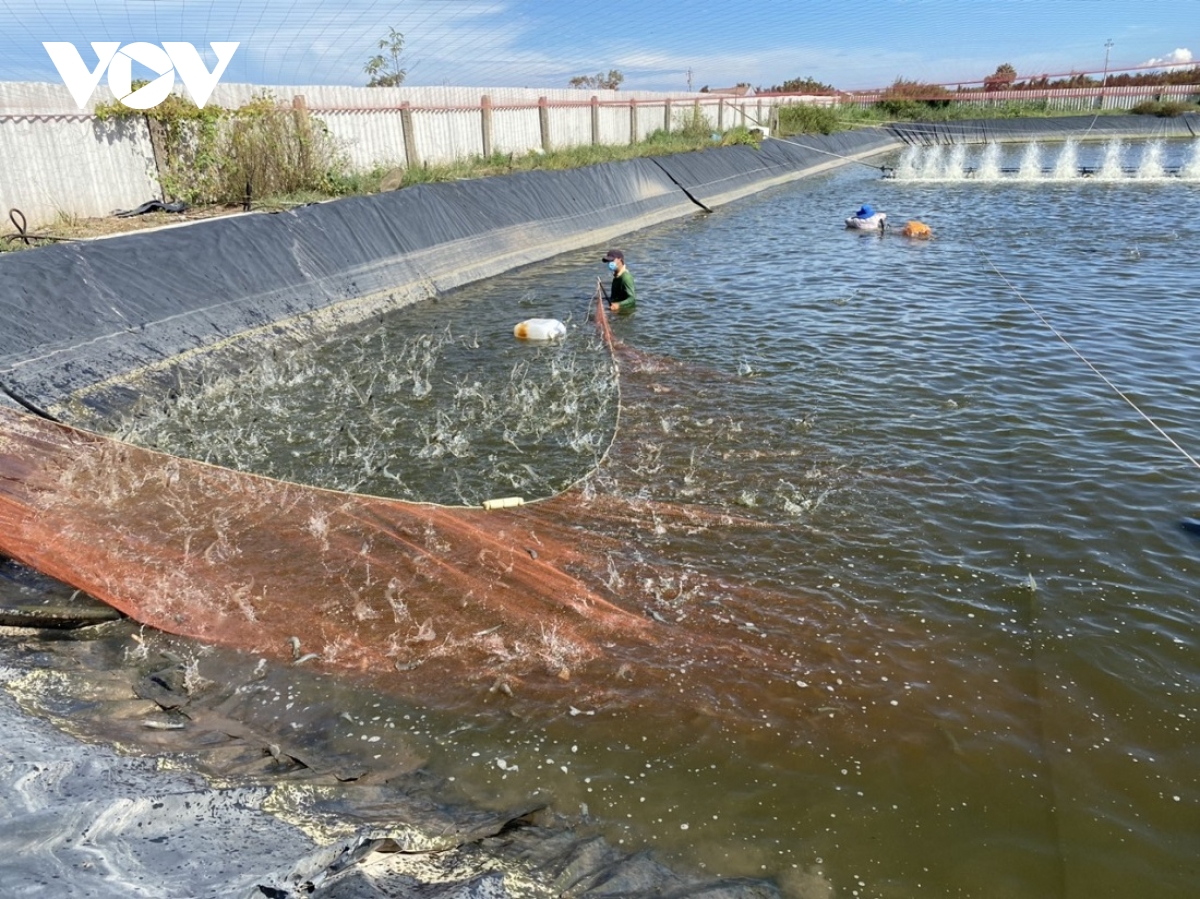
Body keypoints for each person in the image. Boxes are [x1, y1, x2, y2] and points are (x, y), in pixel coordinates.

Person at [602, 249, 636, 313]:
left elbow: (632, 299)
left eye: (612, 260)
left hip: (626, 313)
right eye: (608, 261)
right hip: (616, 311)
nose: (609, 263)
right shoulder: (617, 276)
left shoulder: (626, 277)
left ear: (620, 260)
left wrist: (619, 305)